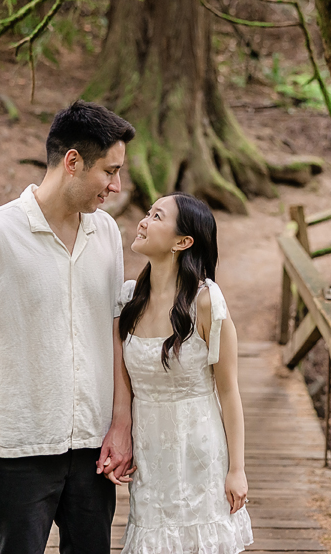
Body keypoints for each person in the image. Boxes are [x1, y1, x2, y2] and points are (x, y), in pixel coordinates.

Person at [0, 100, 136, 554]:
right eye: (109, 171)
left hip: (93, 446)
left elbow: (114, 332)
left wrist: (121, 425)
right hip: (18, 447)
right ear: (73, 162)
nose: (117, 185)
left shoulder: (106, 232)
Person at [115, 193, 253, 554]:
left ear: (182, 241)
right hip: (150, 455)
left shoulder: (205, 302)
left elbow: (228, 392)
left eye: (157, 216)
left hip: (200, 452)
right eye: (148, 213)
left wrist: (236, 469)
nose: (144, 221)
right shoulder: (129, 299)